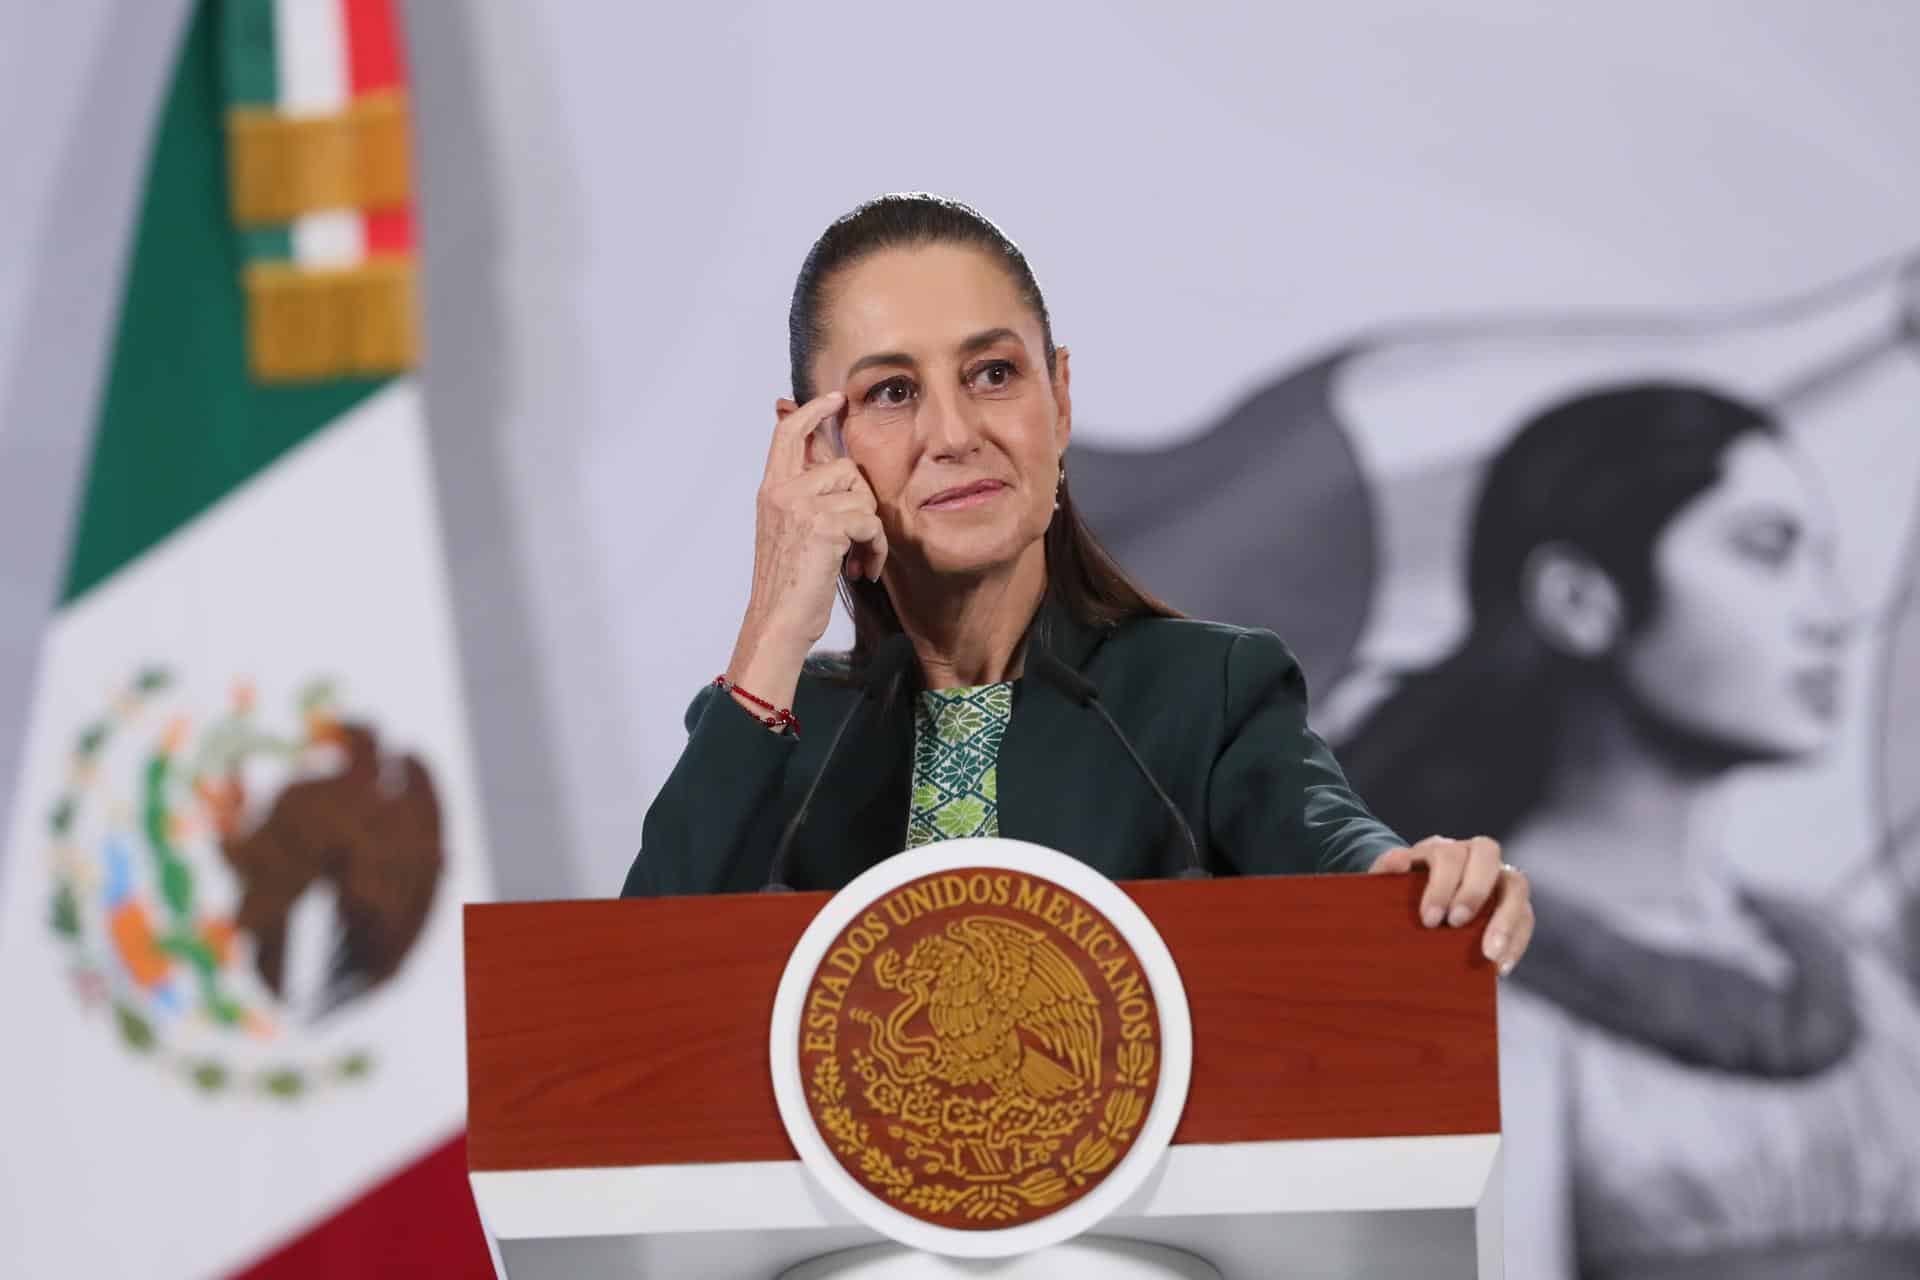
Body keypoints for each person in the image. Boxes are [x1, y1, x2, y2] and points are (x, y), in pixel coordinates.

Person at [620, 193, 1532, 979]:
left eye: (993, 373)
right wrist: (775, 625)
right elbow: (633, 988)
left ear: (1058, 399)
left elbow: (1332, 847)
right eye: (892, 392)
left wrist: (1413, 885)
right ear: (815, 444)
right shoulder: (776, 729)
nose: (955, 431)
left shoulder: (1207, 694)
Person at [1340, 383, 1920, 1278]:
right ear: (1580, 598)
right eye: (1767, 552)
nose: (1833, 614)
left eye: (1823, 559)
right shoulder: (1456, 973)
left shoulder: (1858, 973)